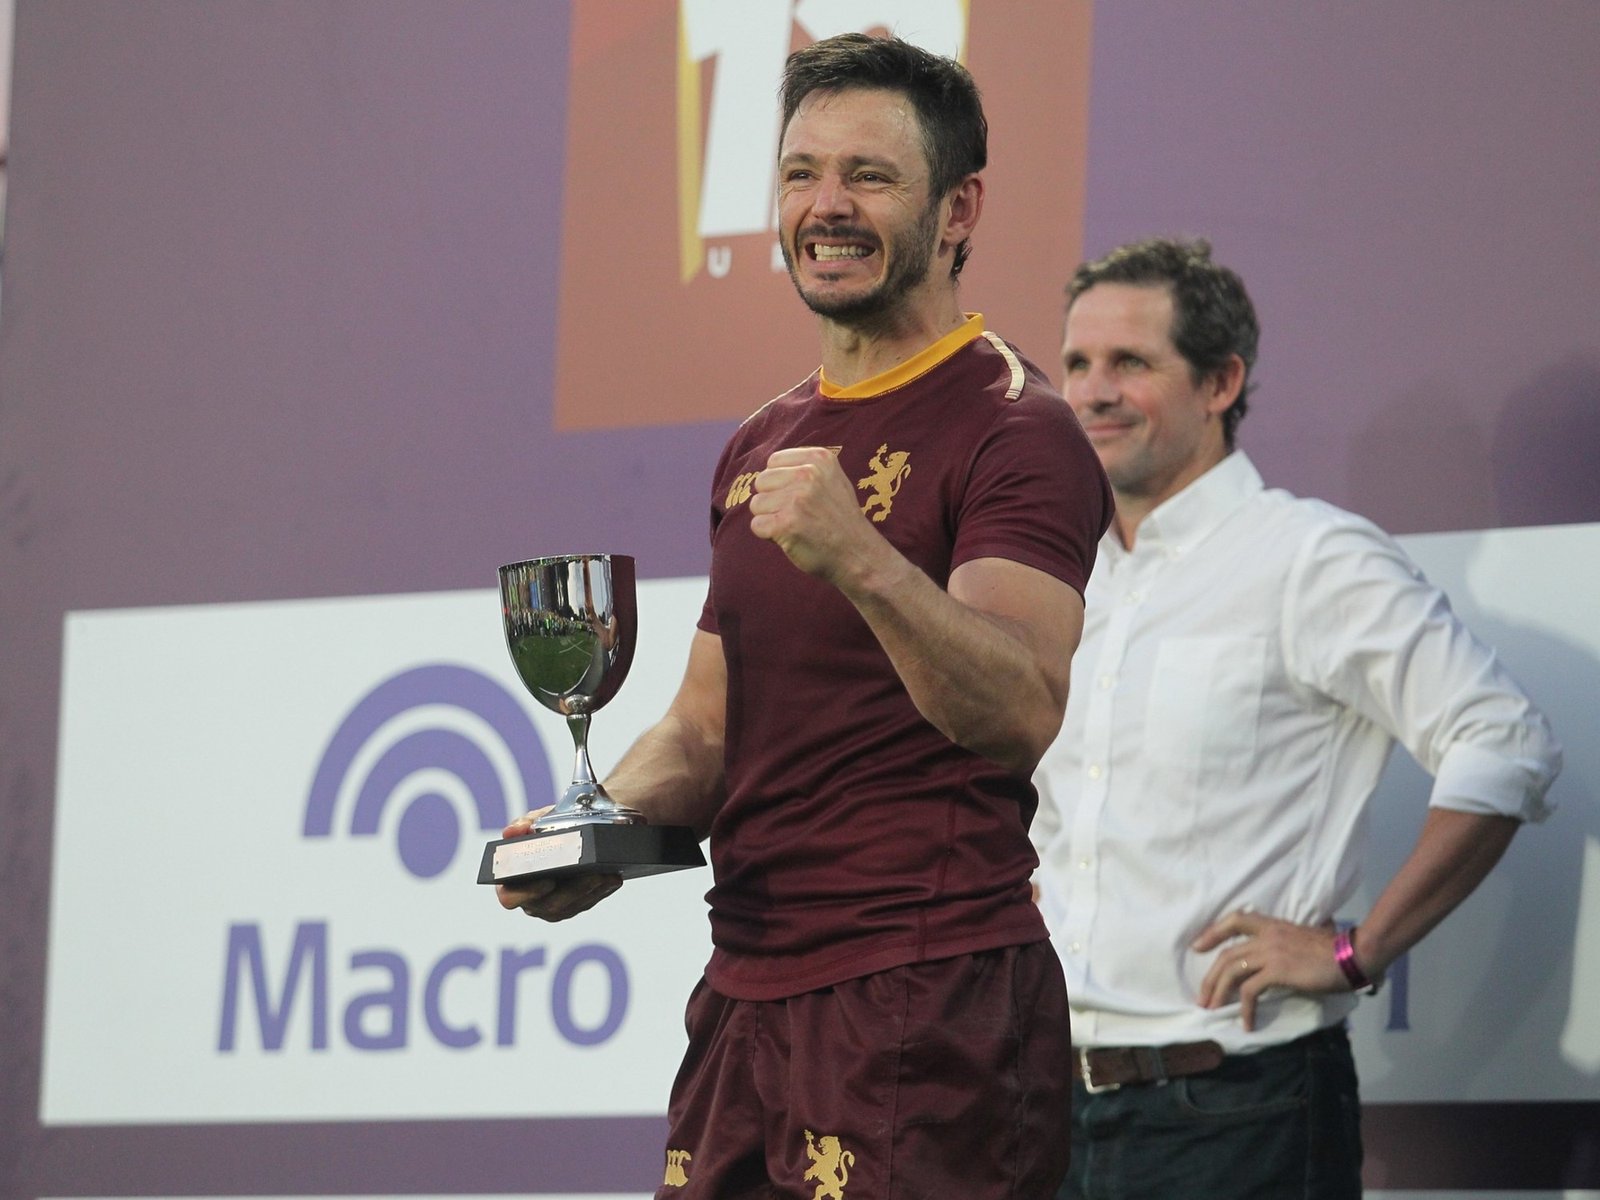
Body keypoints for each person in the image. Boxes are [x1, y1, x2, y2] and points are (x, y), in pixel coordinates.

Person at [498, 33, 1113, 1200]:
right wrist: (596, 836)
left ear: (958, 208)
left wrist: (863, 558)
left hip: (928, 992)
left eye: (869, 177)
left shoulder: (1017, 427)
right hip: (744, 994)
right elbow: (704, 731)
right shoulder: (761, 441)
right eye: (799, 174)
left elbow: (1019, 709)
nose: (825, 207)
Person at [1031, 235, 1562, 1199]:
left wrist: (1360, 951)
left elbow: (1505, 741)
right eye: (1077, 362)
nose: (1093, 392)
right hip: (1047, 1110)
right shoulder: (1066, 579)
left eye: (1130, 362)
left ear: (1221, 382)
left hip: (1243, 1109)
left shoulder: (1310, 559)